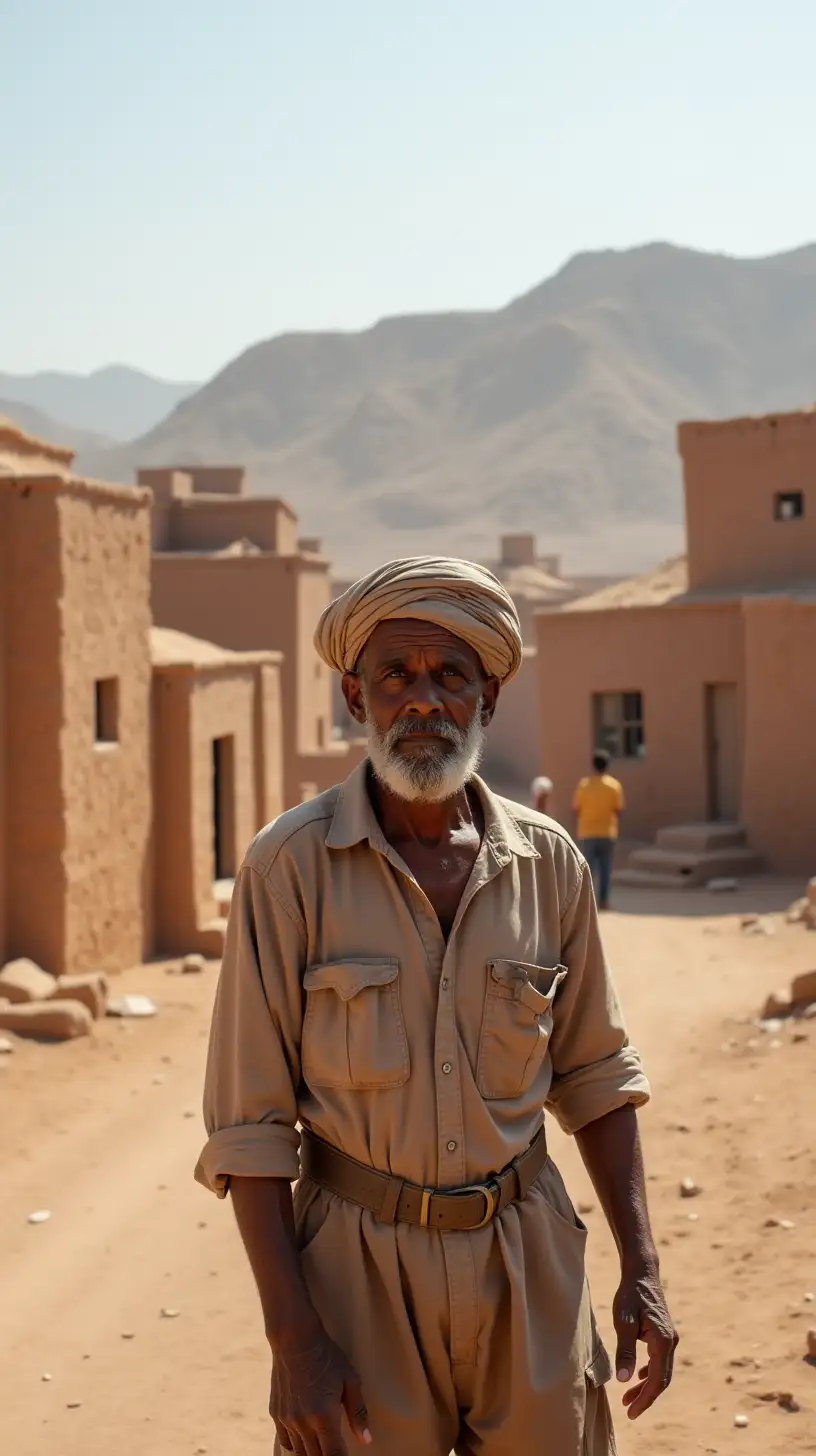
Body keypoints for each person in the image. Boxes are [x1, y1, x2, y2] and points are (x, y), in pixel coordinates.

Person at [196, 556, 676, 1456]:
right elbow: (248, 1128)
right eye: (395, 677)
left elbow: (598, 1078)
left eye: (450, 675)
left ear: (488, 697)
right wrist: (292, 1337)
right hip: (356, 1274)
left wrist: (641, 1269)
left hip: (527, 1259)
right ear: (355, 696)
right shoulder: (286, 869)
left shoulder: (550, 864)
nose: (423, 701)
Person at [573, 750, 625, 911]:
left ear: (593, 765)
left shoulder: (584, 785)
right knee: (605, 869)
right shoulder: (614, 786)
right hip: (607, 832)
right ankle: (604, 901)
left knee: (588, 870)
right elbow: (618, 809)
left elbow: (576, 808)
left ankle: (587, 903)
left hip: (588, 832)